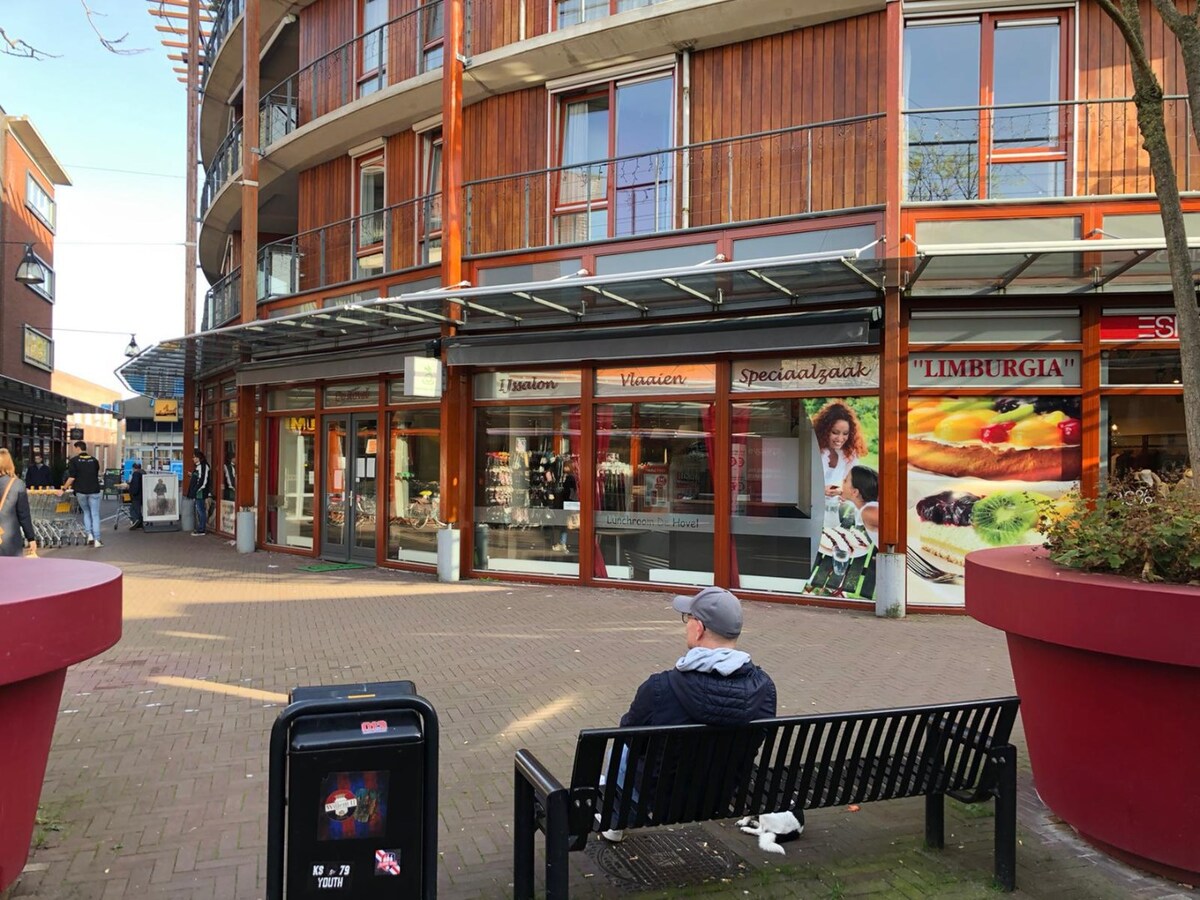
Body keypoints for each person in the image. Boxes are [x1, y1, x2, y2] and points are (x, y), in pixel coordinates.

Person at [602, 586, 777, 842]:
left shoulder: (659, 688)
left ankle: (616, 822)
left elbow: (629, 739)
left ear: (699, 628)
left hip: (659, 799)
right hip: (722, 794)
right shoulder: (764, 688)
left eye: (689, 618)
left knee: (618, 752)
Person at [811, 401, 867, 498]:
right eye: (835, 432)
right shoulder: (813, 450)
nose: (840, 439)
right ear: (824, 431)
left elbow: (854, 486)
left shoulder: (850, 453)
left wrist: (841, 492)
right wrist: (820, 490)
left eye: (845, 433)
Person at [61, 440, 103, 548]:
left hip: (81, 491)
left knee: (86, 512)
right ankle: (97, 539)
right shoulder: (94, 460)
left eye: (75, 448)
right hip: (94, 490)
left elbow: (72, 477)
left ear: (78, 448)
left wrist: (64, 488)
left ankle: (89, 535)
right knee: (95, 514)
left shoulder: (74, 461)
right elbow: (95, 473)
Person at [0, 448, 37, 558]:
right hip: (8, 536)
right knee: (10, 566)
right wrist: (31, 538)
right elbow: (23, 514)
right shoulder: (17, 484)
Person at [840, 465, 880, 546]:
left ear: (855, 492)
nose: (842, 481)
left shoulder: (868, 512)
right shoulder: (866, 506)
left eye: (845, 480)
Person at [187, 449, 211, 536]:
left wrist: (196, 490)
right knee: (199, 510)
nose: (193, 459)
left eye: (194, 457)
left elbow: (203, 481)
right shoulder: (199, 466)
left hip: (200, 492)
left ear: (198, 458)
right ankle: (200, 527)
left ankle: (202, 529)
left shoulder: (203, 466)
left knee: (201, 510)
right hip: (198, 491)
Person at [127, 462, 144, 529]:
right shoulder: (143, 473)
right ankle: (140, 523)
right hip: (141, 494)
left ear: (134, 468)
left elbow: (135, 485)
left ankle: (136, 520)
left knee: (133, 509)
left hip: (136, 496)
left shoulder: (136, 474)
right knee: (138, 509)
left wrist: (133, 492)